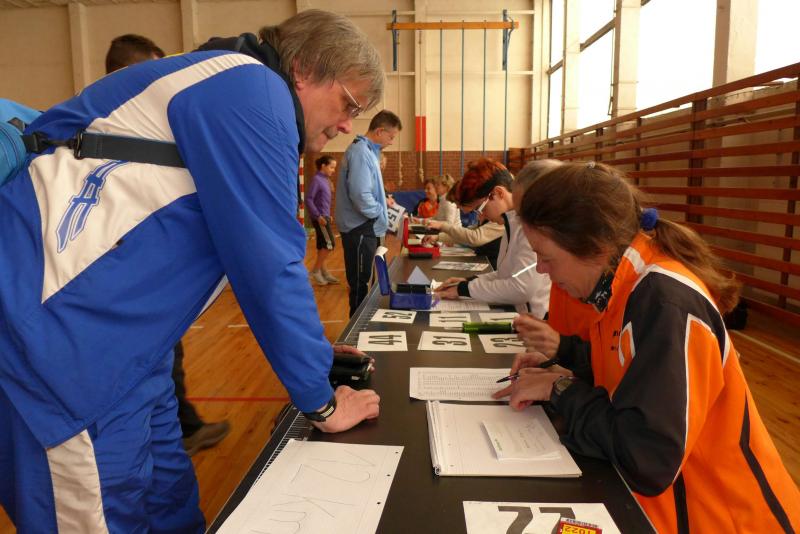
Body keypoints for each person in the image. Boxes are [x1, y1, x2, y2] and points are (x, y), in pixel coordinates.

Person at [0, 10, 383, 532]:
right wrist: (322, 403)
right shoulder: (254, 89)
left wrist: (316, 355)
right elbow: (269, 265)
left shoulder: (223, 80)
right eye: (349, 104)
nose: (346, 126)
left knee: (171, 507)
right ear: (304, 70)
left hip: (130, 348)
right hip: (61, 343)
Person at [494, 161, 800, 533]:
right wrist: (563, 362)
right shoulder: (623, 283)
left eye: (546, 257)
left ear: (595, 247)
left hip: (721, 519)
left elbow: (647, 457)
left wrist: (560, 388)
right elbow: (629, 370)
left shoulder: (663, 301)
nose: (541, 270)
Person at [105, 34, 232, 457]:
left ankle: (178, 433)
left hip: (152, 284)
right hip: (125, 287)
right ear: (128, 71)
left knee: (164, 367)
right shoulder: (106, 133)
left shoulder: (148, 131)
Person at [435, 158, 551, 316]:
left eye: (480, 208)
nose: (481, 216)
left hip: (537, 319)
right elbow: (506, 274)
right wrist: (469, 281)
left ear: (498, 193)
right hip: (522, 317)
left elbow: (521, 288)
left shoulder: (529, 227)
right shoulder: (510, 223)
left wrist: (465, 289)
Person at [335, 110, 402, 316]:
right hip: (360, 228)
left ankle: (363, 325)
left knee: (366, 282)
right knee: (360, 285)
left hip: (365, 227)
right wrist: (379, 212)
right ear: (380, 131)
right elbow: (361, 195)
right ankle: (356, 330)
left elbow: (368, 190)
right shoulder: (361, 153)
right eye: (391, 137)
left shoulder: (368, 152)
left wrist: (383, 203)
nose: (391, 142)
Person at [306, 155, 339, 285]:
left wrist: (328, 214)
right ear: (323, 166)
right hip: (320, 219)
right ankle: (315, 271)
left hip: (324, 217)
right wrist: (318, 216)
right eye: (331, 167)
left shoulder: (325, 180)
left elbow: (323, 201)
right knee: (329, 244)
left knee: (322, 245)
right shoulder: (316, 180)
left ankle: (324, 272)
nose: (333, 170)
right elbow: (309, 199)